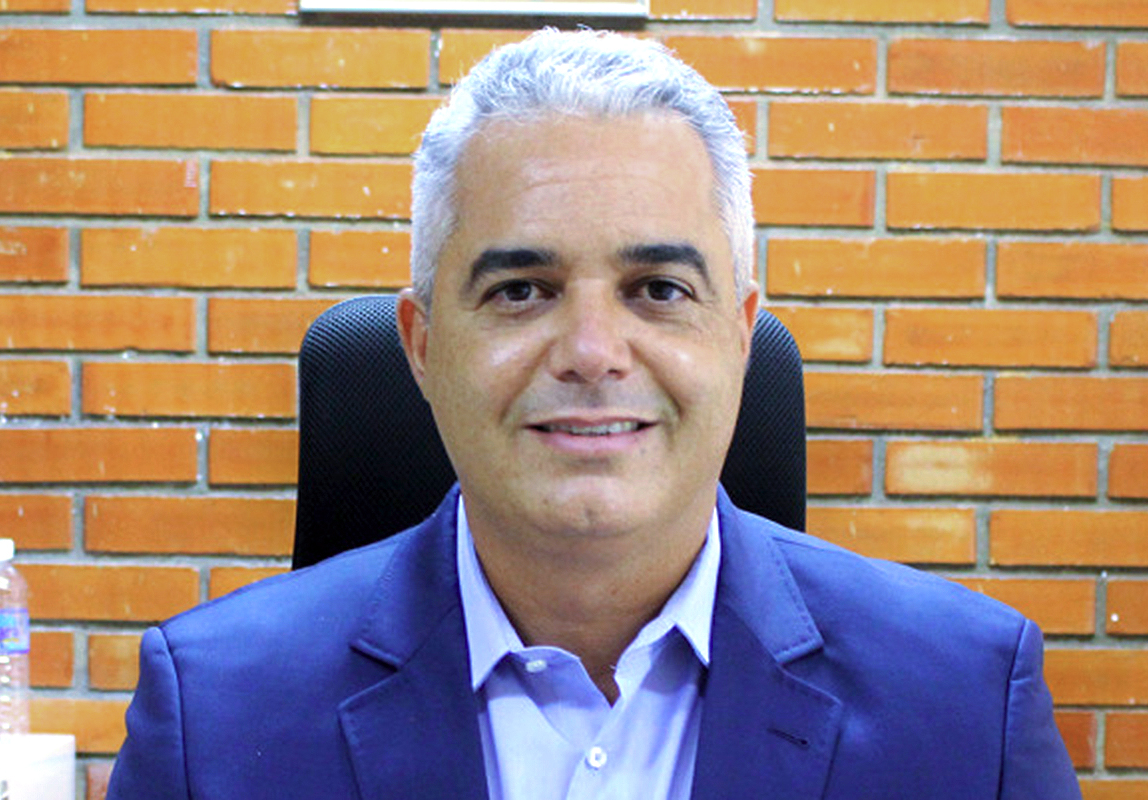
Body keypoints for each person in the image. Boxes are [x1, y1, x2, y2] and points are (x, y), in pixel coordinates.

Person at [107, 29, 1081, 799]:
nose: (590, 350)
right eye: (521, 290)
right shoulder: (214, 716)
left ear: (740, 336)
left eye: (657, 288)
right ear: (421, 345)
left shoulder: (966, 707)